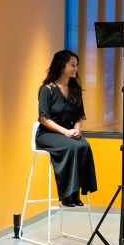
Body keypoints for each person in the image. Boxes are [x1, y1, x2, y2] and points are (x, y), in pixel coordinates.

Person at [35, 50, 97, 207]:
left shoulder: (75, 89)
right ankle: (67, 194)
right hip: (48, 133)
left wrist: (76, 129)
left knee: (84, 145)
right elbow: (44, 119)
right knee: (71, 146)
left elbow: (78, 117)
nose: (76, 68)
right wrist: (66, 132)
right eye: (72, 65)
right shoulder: (47, 89)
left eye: (77, 65)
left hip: (67, 132)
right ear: (62, 66)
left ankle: (76, 192)